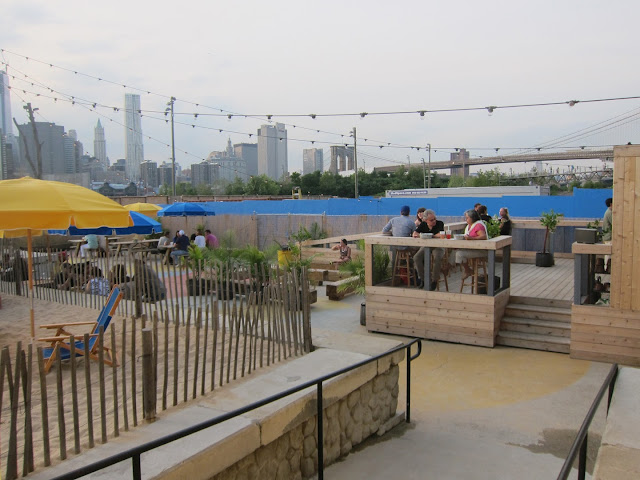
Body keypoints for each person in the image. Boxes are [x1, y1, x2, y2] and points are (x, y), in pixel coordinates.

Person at [412, 209, 446, 290]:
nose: (434, 221)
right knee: (416, 258)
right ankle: (423, 279)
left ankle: (434, 280)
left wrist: (430, 236)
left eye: (434, 219)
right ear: (425, 220)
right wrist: (421, 235)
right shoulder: (423, 224)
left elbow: (440, 234)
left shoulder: (439, 223)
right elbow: (415, 233)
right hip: (427, 246)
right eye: (431, 220)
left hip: (438, 246)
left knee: (437, 258)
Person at [455, 209, 488, 278]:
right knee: (454, 252)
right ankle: (447, 268)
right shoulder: (469, 226)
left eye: (467, 218)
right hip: (472, 248)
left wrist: (472, 238)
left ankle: (467, 270)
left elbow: (483, 236)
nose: (466, 219)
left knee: (459, 254)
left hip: (480, 250)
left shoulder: (478, 225)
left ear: (472, 218)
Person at [602, 198, 612, 271]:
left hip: (606, 236)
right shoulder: (609, 213)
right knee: (608, 254)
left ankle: (606, 268)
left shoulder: (608, 212)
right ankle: (606, 268)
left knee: (608, 253)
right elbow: (615, 223)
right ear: (611, 204)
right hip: (609, 237)